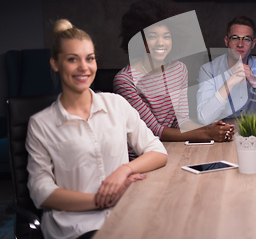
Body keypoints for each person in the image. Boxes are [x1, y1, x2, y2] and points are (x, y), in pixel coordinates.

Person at [26, 20, 168, 239]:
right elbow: (41, 192)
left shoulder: (116, 104)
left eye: (89, 58)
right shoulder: (41, 124)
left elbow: (157, 151)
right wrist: (100, 200)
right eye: (72, 59)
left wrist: (123, 171)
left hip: (126, 215)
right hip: (76, 227)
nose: (84, 67)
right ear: (55, 63)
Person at [114, 0, 234, 147]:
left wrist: (214, 129)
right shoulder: (125, 80)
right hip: (140, 155)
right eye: (152, 36)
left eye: (166, 36)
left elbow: (182, 122)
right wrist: (207, 133)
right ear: (140, 39)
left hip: (172, 149)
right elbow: (155, 131)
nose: (160, 42)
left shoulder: (179, 70)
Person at [197, 16, 256, 125]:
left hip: (252, 132)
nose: (240, 44)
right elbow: (204, 119)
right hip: (222, 133)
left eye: (246, 39)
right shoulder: (208, 70)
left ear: (253, 44)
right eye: (235, 38)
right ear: (226, 41)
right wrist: (229, 83)